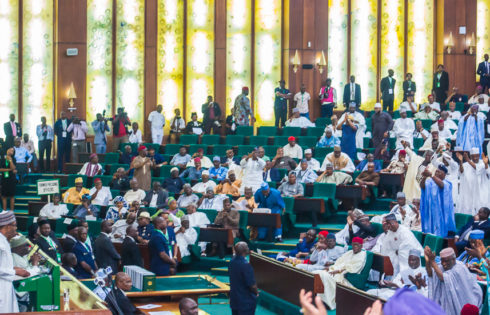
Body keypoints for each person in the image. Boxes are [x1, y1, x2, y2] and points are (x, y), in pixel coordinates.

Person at [312, 237, 367, 309]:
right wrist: (331, 268)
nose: (355, 247)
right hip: (335, 270)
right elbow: (339, 261)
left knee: (324, 276)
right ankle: (318, 298)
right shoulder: (349, 252)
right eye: (353, 245)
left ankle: (328, 302)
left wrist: (338, 271)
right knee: (316, 273)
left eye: (357, 245)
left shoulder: (362, 254)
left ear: (361, 246)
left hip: (343, 275)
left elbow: (355, 268)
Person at [425, 247, 482, 315]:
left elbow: (443, 278)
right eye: (442, 260)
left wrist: (432, 262)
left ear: (453, 259)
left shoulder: (460, 267)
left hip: (463, 302)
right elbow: (430, 274)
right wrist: (428, 261)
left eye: (446, 261)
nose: (443, 263)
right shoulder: (441, 266)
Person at [0, 211, 29, 312]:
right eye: (14, 225)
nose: (16, 228)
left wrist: (12, 268)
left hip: (6, 287)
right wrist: (15, 272)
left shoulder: (4, 240)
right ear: (7, 226)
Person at [229, 242, 258, 315]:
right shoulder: (246, 265)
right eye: (247, 246)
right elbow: (252, 285)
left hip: (234, 300)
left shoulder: (231, 262)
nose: (248, 248)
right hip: (245, 302)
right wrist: (256, 292)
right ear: (245, 250)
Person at [457, 149, 489, 215]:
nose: (475, 158)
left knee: (482, 209)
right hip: (470, 190)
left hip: (482, 191)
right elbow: (461, 173)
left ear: (479, 155)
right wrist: (461, 162)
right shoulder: (466, 164)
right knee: (468, 209)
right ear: (471, 156)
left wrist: (467, 159)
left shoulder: (483, 163)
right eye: (473, 156)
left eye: (477, 156)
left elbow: (477, 168)